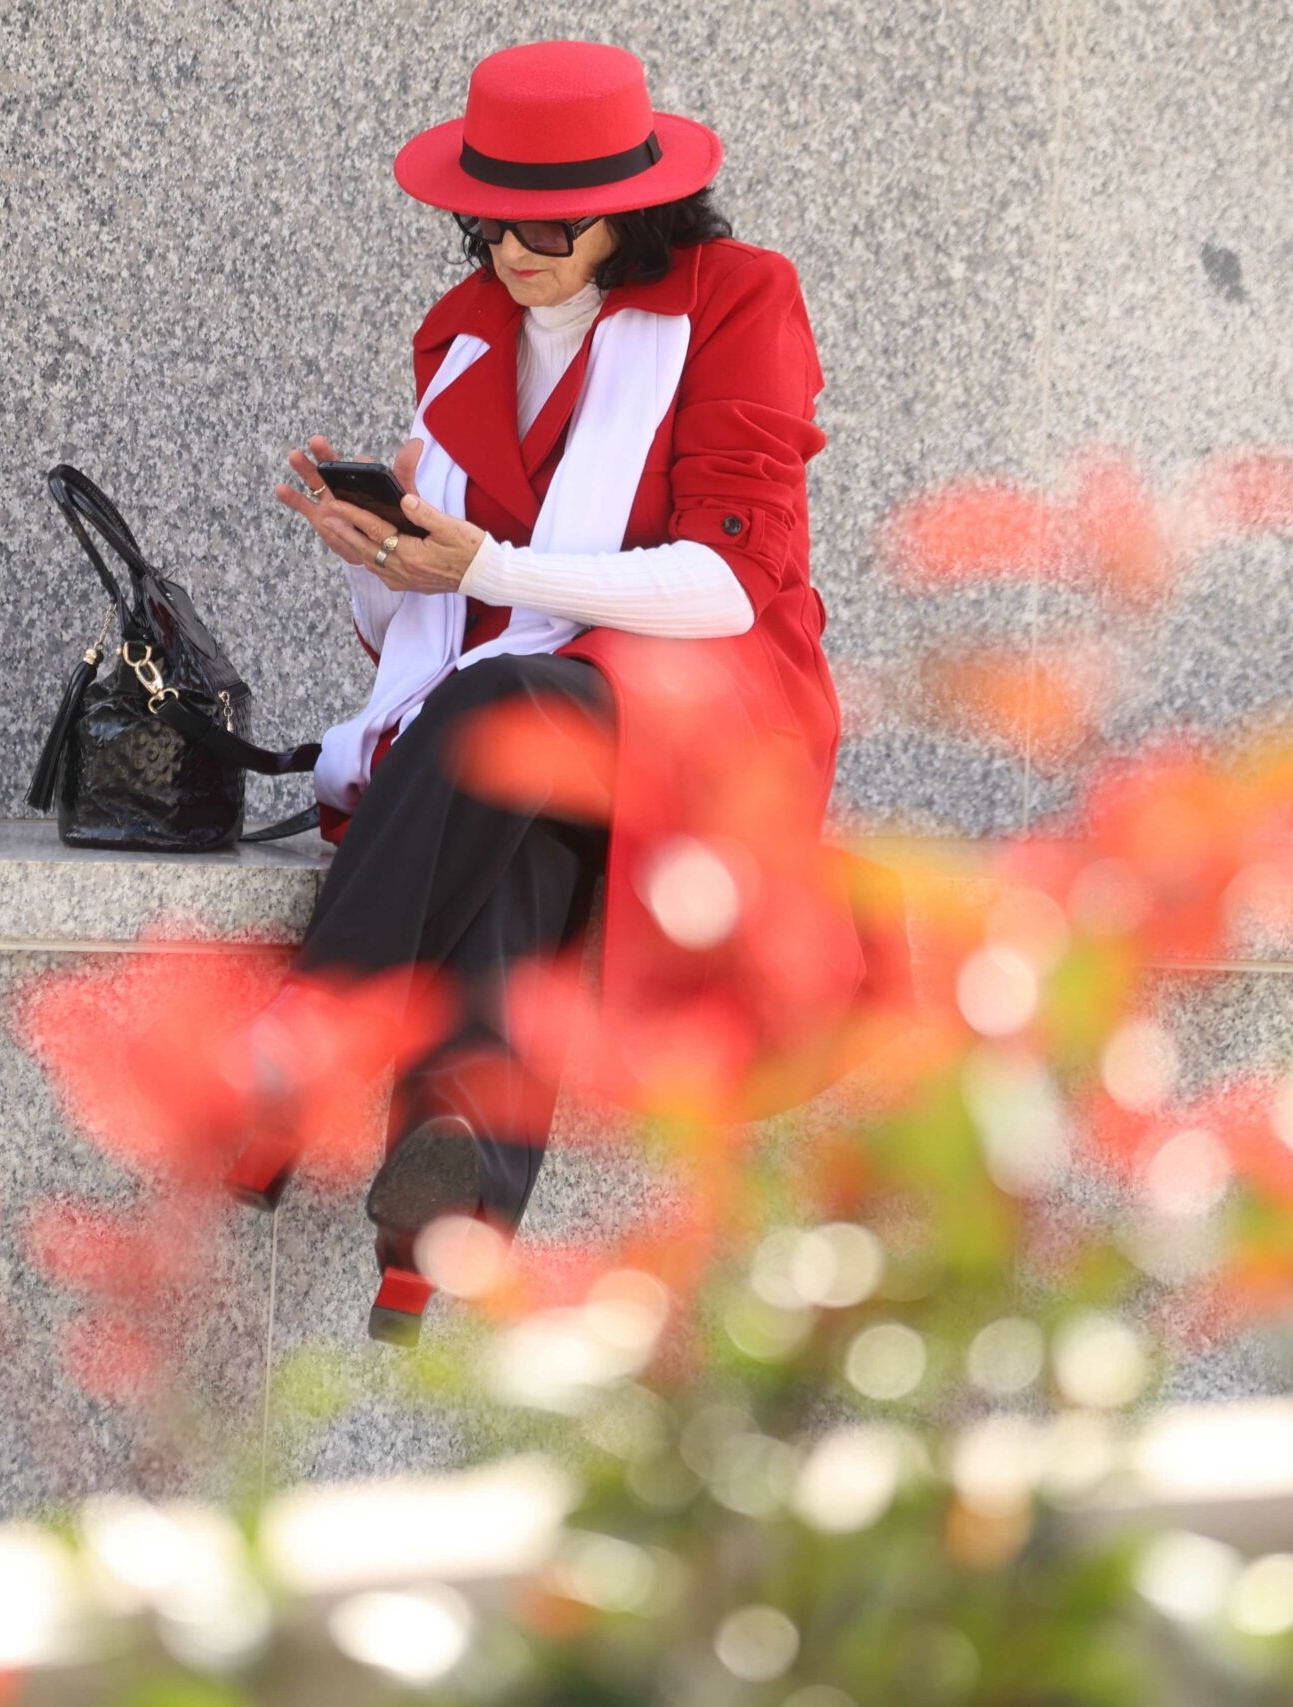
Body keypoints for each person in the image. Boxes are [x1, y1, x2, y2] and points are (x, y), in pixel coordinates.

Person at [232, 39, 872, 1344]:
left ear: (632, 206)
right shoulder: (465, 334)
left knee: (503, 715)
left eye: (551, 220)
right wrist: (385, 567)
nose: (514, 250)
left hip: (711, 707)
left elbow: (730, 585)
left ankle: (311, 1042)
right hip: (537, 706)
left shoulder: (741, 300)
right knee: (521, 800)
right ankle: (441, 1217)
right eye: (488, 220)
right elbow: (450, 616)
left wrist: (491, 563)